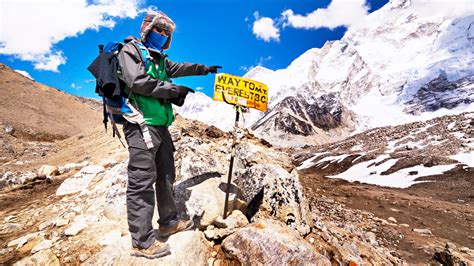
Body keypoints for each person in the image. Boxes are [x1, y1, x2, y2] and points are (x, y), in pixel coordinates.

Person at [117, 10, 221, 259]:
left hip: (160, 125)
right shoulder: (130, 51)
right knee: (141, 180)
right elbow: (138, 82)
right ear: (147, 29)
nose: (163, 35)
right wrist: (172, 91)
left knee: (165, 175)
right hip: (140, 124)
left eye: (167, 32)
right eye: (159, 29)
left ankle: (169, 222)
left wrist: (204, 69)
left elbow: (181, 67)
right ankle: (142, 242)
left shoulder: (160, 59)